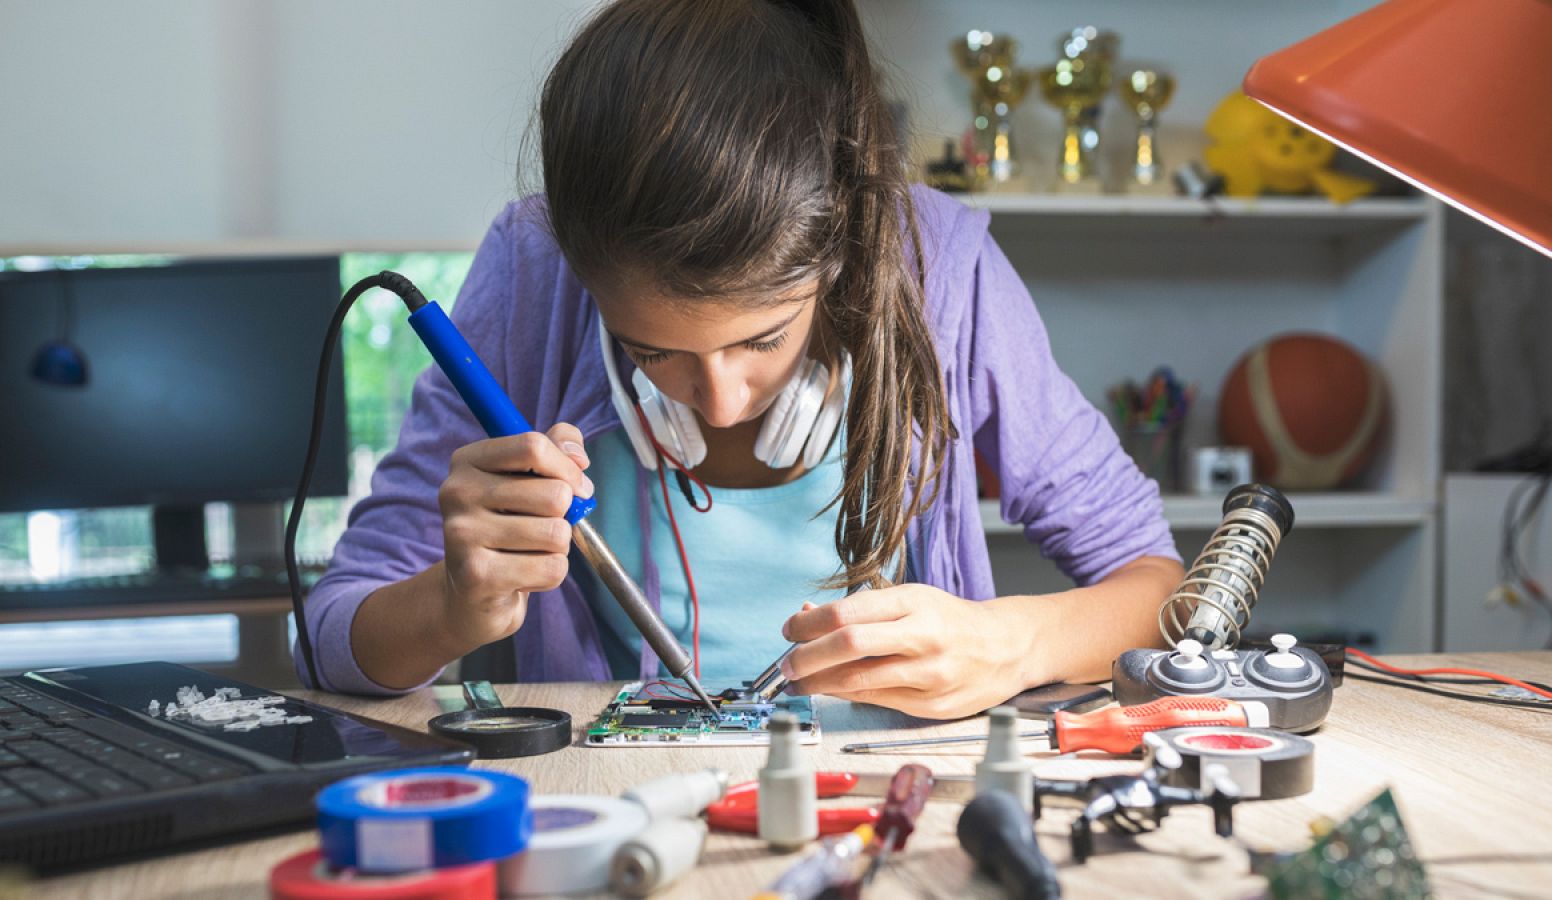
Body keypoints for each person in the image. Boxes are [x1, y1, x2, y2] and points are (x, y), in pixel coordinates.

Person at [295, 0, 1183, 720]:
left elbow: (1161, 588)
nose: (718, 406)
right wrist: (451, 604)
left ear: (839, 249)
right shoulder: (535, 271)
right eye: (651, 351)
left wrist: (1011, 645)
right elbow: (330, 636)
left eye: (762, 340)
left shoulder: (940, 271)